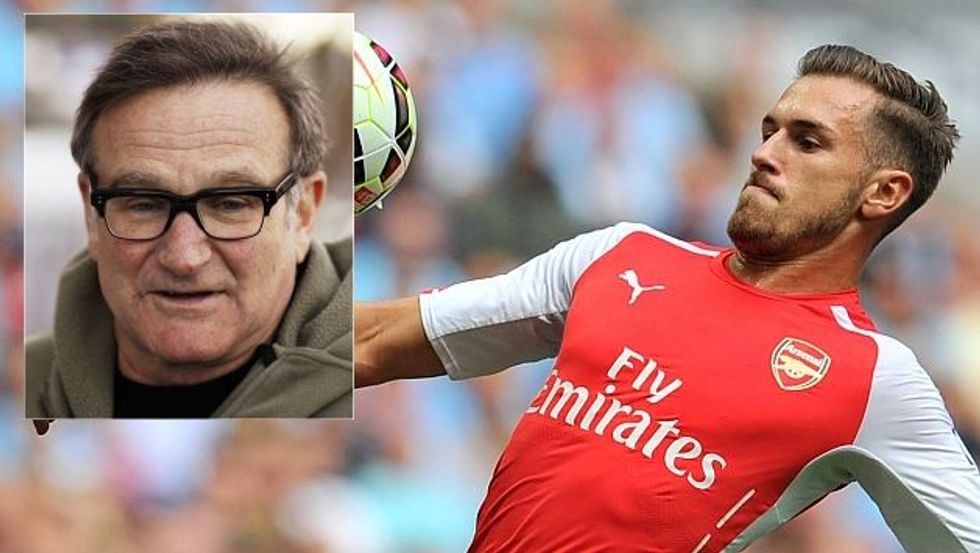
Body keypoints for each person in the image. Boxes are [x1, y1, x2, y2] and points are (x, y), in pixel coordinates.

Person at [355, 45, 980, 552]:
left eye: (807, 141)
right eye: (770, 130)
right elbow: (369, 344)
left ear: (884, 194)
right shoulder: (621, 256)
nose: (764, 154)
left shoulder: (874, 376)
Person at [26, 18, 352, 419]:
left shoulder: (378, 382)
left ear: (303, 215)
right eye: (144, 204)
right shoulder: (27, 383)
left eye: (231, 204)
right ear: (91, 215)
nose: (184, 257)